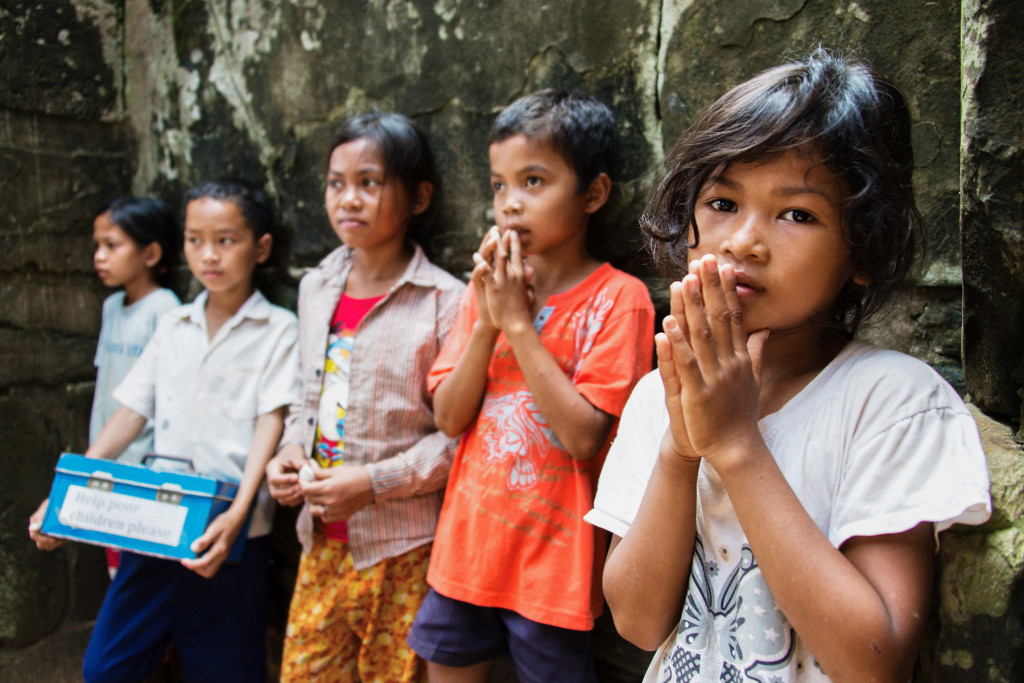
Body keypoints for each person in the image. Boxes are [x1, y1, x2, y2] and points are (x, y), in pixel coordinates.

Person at [586, 48, 992, 682]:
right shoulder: (656, 398)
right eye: (722, 202)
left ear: (865, 248)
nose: (743, 240)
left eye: (797, 214)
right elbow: (637, 622)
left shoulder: (891, 402)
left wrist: (738, 445)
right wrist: (679, 449)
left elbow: (871, 661)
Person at [407, 88, 656, 683]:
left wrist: (518, 327)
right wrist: (490, 320)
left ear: (593, 193)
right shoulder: (487, 287)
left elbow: (584, 438)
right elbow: (448, 416)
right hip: (467, 551)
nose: (510, 204)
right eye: (499, 185)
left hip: (553, 566)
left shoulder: (620, 300)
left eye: (534, 182)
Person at [30, 178, 299, 683]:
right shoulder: (173, 325)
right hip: (156, 527)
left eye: (226, 240)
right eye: (195, 240)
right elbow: (130, 414)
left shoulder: (279, 328)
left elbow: (273, 421)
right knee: (106, 666)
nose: (208, 255)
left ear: (260, 247)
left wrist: (238, 515)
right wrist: (64, 495)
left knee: (227, 673)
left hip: (233, 539)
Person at [265, 111, 463, 682]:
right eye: (336, 183)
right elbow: (308, 399)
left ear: (418, 196)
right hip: (319, 540)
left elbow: (458, 441)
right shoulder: (316, 286)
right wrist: (289, 454)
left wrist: (371, 483)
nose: (348, 199)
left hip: (402, 547)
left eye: (369, 183)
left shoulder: (443, 302)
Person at [91, 197, 182, 578]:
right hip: (106, 457)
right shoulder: (112, 306)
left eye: (112, 246)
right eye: (97, 246)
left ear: (151, 253)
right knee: (115, 564)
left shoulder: (165, 309)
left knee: (136, 571)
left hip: (141, 463)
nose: (99, 256)